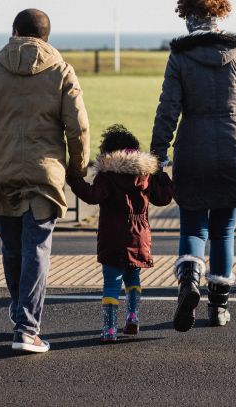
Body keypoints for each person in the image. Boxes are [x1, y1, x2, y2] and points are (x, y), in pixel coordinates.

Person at [0, 8, 90, 353]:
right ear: (46, 37)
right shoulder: (61, 70)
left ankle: (20, 315)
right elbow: (78, 127)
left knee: (12, 248)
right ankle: (27, 328)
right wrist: (76, 170)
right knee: (37, 250)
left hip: (1, 174)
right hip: (45, 175)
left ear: (14, 32)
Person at [150, 0, 236, 332]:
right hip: (235, 149)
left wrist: (158, 156)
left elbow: (167, 109)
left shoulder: (180, 58)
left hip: (192, 148)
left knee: (192, 225)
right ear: (222, 12)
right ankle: (218, 307)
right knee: (223, 231)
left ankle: (189, 279)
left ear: (187, 15)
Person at [67, 125, 173, 342]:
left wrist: (74, 180)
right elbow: (163, 198)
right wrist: (162, 175)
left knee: (111, 282)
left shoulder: (107, 175)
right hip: (138, 234)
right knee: (133, 276)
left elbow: (92, 196)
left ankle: (109, 329)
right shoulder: (145, 175)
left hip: (111, 235)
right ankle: (133, 318)